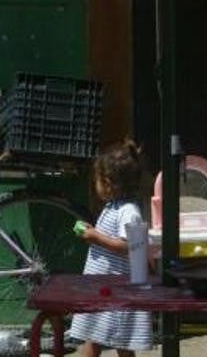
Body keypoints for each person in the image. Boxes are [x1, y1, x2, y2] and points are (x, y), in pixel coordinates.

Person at [69, 139, 154, 356]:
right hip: (104, 287)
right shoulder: (114, 207)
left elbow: (132, 247)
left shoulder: (128, 210)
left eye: (97, 180)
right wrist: (95, 234)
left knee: (115, 337)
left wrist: (96, 237)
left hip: (115, 287)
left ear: (108, 183)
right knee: (99, 335)